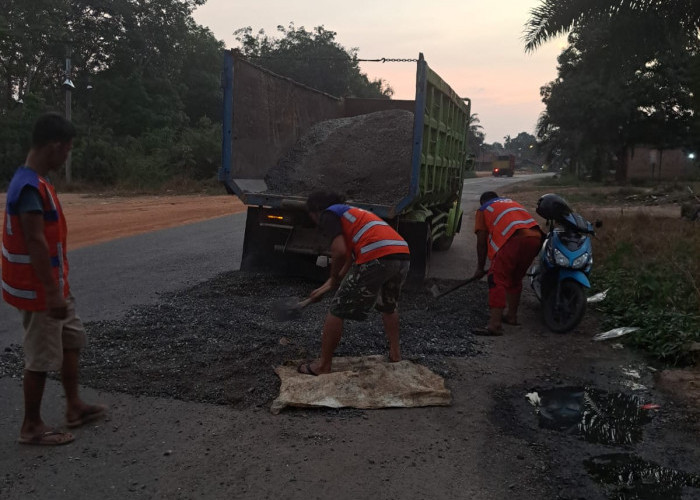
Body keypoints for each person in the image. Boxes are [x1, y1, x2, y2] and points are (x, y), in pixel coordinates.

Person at [2, 113, 106, 446]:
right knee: (40, 357)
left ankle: (73, 406)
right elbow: (35, 241)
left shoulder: (37, 181)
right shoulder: (30, 187)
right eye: (67, 150)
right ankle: (31, 426)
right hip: (40, 291)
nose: (67, 157)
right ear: (54, 146)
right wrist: (51, 293)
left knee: (72, 340)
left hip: (54, 286)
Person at [297, 191, 411, 375]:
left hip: (377, 256)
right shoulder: (352, 215)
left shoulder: (328, 213)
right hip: (401, 255)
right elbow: (350, 261)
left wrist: (333, 278)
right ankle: (395, 355)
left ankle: (323, 366)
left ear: (315, 211)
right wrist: (324, 287)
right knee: (388, 306)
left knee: (337, 309)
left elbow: (340, 252)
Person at [471, 191, 542, 336]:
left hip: (514, 239)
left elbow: (481, 242)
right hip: (535, 238)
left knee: (496, 278)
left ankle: (494, 325)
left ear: (483, 201)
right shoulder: (510, 202)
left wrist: (480, 268)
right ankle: (511, 316)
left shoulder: (484, 208)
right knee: (514, 279)